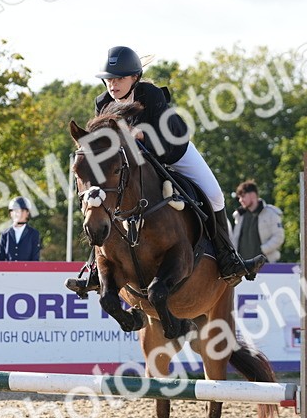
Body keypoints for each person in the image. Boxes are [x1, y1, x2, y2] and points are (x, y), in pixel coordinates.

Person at [65, 46, 264, 295]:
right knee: (102, 202)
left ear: (135, 77)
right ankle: (96, 268)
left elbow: (162, 137)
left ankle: (228, 260)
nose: (112, 84)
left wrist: (139, 135)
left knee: (215, 195)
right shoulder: (103, 103)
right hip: (137, 164)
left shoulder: (149, 94)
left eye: (119, 78)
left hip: (173, 151)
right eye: (109, 79)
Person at [230, 180, 283, 263]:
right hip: (242, 266)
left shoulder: (271, 213)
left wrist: (262, 249)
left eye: (243, 196)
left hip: (266, 264)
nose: (240, 200)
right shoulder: (239, 215)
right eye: (239, 197)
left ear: (253, 195)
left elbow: (279, 237)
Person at [0, 197, 41, 261]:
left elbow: (35, 260)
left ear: (27, 213)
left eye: (22, 211)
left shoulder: (34, 234)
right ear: (11, 213)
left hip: (27, 270)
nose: (19, 214)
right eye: (16, 211)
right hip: (8, 270)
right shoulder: (4, 234)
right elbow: (1, 260)